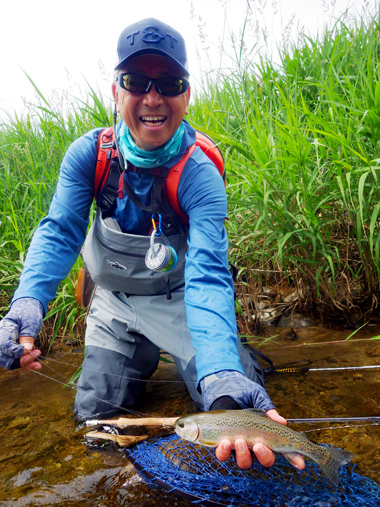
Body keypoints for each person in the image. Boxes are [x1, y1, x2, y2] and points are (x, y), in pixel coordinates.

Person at [0, 18, 304, 472]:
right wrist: (24, 308)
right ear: (116, 91)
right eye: (136, 81)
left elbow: (207, 274)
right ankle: (142, 361)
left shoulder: (199, 174)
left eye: (168, 82)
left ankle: (230, 359)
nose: (152, 97)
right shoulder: (90, 156)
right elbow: (59, 230)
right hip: (114, 305)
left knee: (229, 401)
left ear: (186, 94)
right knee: (95, 423)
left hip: (181, 302)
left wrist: (221, 370)